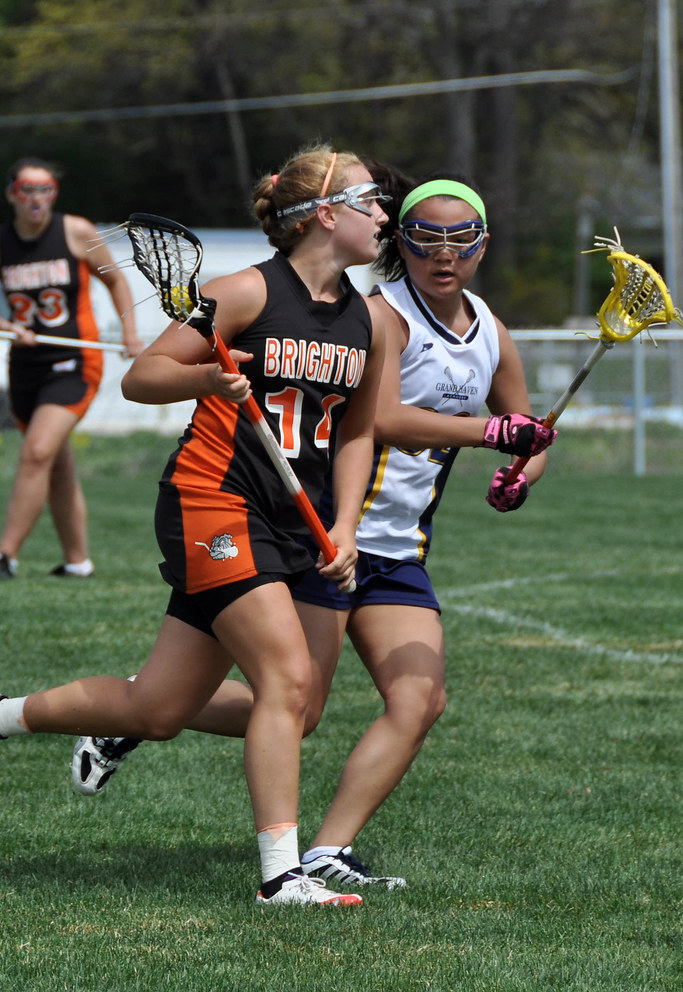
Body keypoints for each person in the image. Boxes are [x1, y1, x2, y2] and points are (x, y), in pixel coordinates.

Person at [66, 168, 556, 889]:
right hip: (323, 535)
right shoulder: (376, 315)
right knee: (295, 701)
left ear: (483, 244)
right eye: (424, 237)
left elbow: (528, 434)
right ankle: (150, 723)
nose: (443, 253)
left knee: (416, 700)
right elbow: (378, 420)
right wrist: (487, 433)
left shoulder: (491, 333)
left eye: (461, 239)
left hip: (397, 546)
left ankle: (326, 850)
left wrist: (522, 469)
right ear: (401, 243)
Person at [0, 144, 390, 908]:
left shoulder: (366, 319)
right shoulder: (244, 291)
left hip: (294, 521)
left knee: (164, 710)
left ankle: (8, 716)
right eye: (369, 200)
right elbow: (143, 375)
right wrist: (208, 376)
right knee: (286, 680)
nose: (383, 214)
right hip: (212, 499)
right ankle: (281, 876)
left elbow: (357, 433)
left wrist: (345, 524)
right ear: (324, 214)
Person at [0, 157, 144, 579]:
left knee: (37, 452)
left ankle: (6, 554)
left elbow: (115, 279)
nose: (36, 198)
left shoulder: (75, 231)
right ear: (12, 194)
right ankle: (78, 562)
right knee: (55, 461)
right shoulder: (3, 241)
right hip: (25, 365)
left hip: (74, 362)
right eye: (27, 189)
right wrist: (9, 328)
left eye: (45, 189)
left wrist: (130, 333)